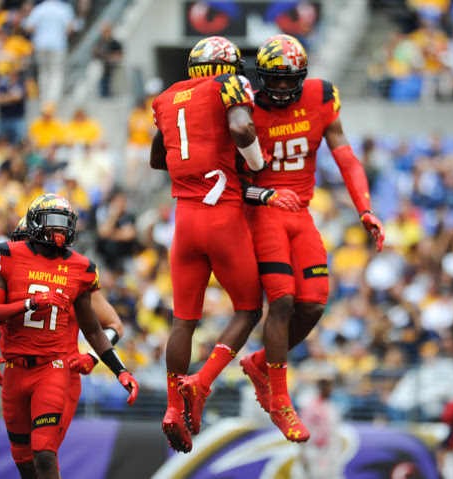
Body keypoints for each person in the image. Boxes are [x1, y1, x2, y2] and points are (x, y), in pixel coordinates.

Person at [150, 36, 300, 453]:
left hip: (184, 220)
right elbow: (240, 126)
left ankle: (172, 408)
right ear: (227, 66)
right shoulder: (229, 85)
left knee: (184, 320)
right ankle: (201, 384)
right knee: (250, 308)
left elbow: (156, 158)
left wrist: (195, 155)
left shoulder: (167, 97)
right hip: (222, 218)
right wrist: (255, 164)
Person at [238, 34, 384, 441]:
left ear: (303, 78)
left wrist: (365, 209)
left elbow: (347, 157)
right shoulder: (244, 108)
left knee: (315, 303)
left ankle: (260, 364)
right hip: (263, 211)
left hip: (300, 212)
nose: (282, 88)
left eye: (290, 80)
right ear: (261, 76)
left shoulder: (321, 97)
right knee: (282, 299)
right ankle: (281, 401)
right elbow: (234, 184)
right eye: (275, 80)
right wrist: (266, 194)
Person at [0, 193, 138, 479]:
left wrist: (110, 365)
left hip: (58, 367)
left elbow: (102, 328)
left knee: (45, 453)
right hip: (16, 367)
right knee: (26, 464)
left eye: (62, 226)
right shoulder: (8, 259)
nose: (58, 233)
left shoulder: (78, 269)